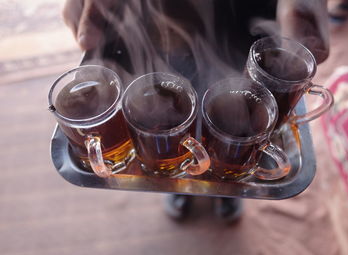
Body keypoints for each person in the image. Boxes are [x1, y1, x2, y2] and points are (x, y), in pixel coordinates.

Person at [62, 0, 330, 222]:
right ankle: (180, 183)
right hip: (157, 27)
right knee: (178, 125)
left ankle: (226, 191)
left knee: (229, 126)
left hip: (246, 23)